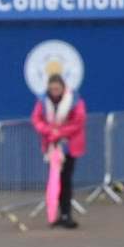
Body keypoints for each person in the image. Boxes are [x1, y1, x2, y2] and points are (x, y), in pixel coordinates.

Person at [32, 63, 86, 228]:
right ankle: (53, 214)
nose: (55, 92)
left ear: (63, 87)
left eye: (57, 88)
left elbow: (79, 121)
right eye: (52, 89)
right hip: (51, 147)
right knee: (53, 181)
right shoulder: (43, 102)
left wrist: (59, 132)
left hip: (69, 146)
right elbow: (36, 119)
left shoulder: (75, 101)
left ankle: (66, 213)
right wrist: (49, 131)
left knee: (66, 180)